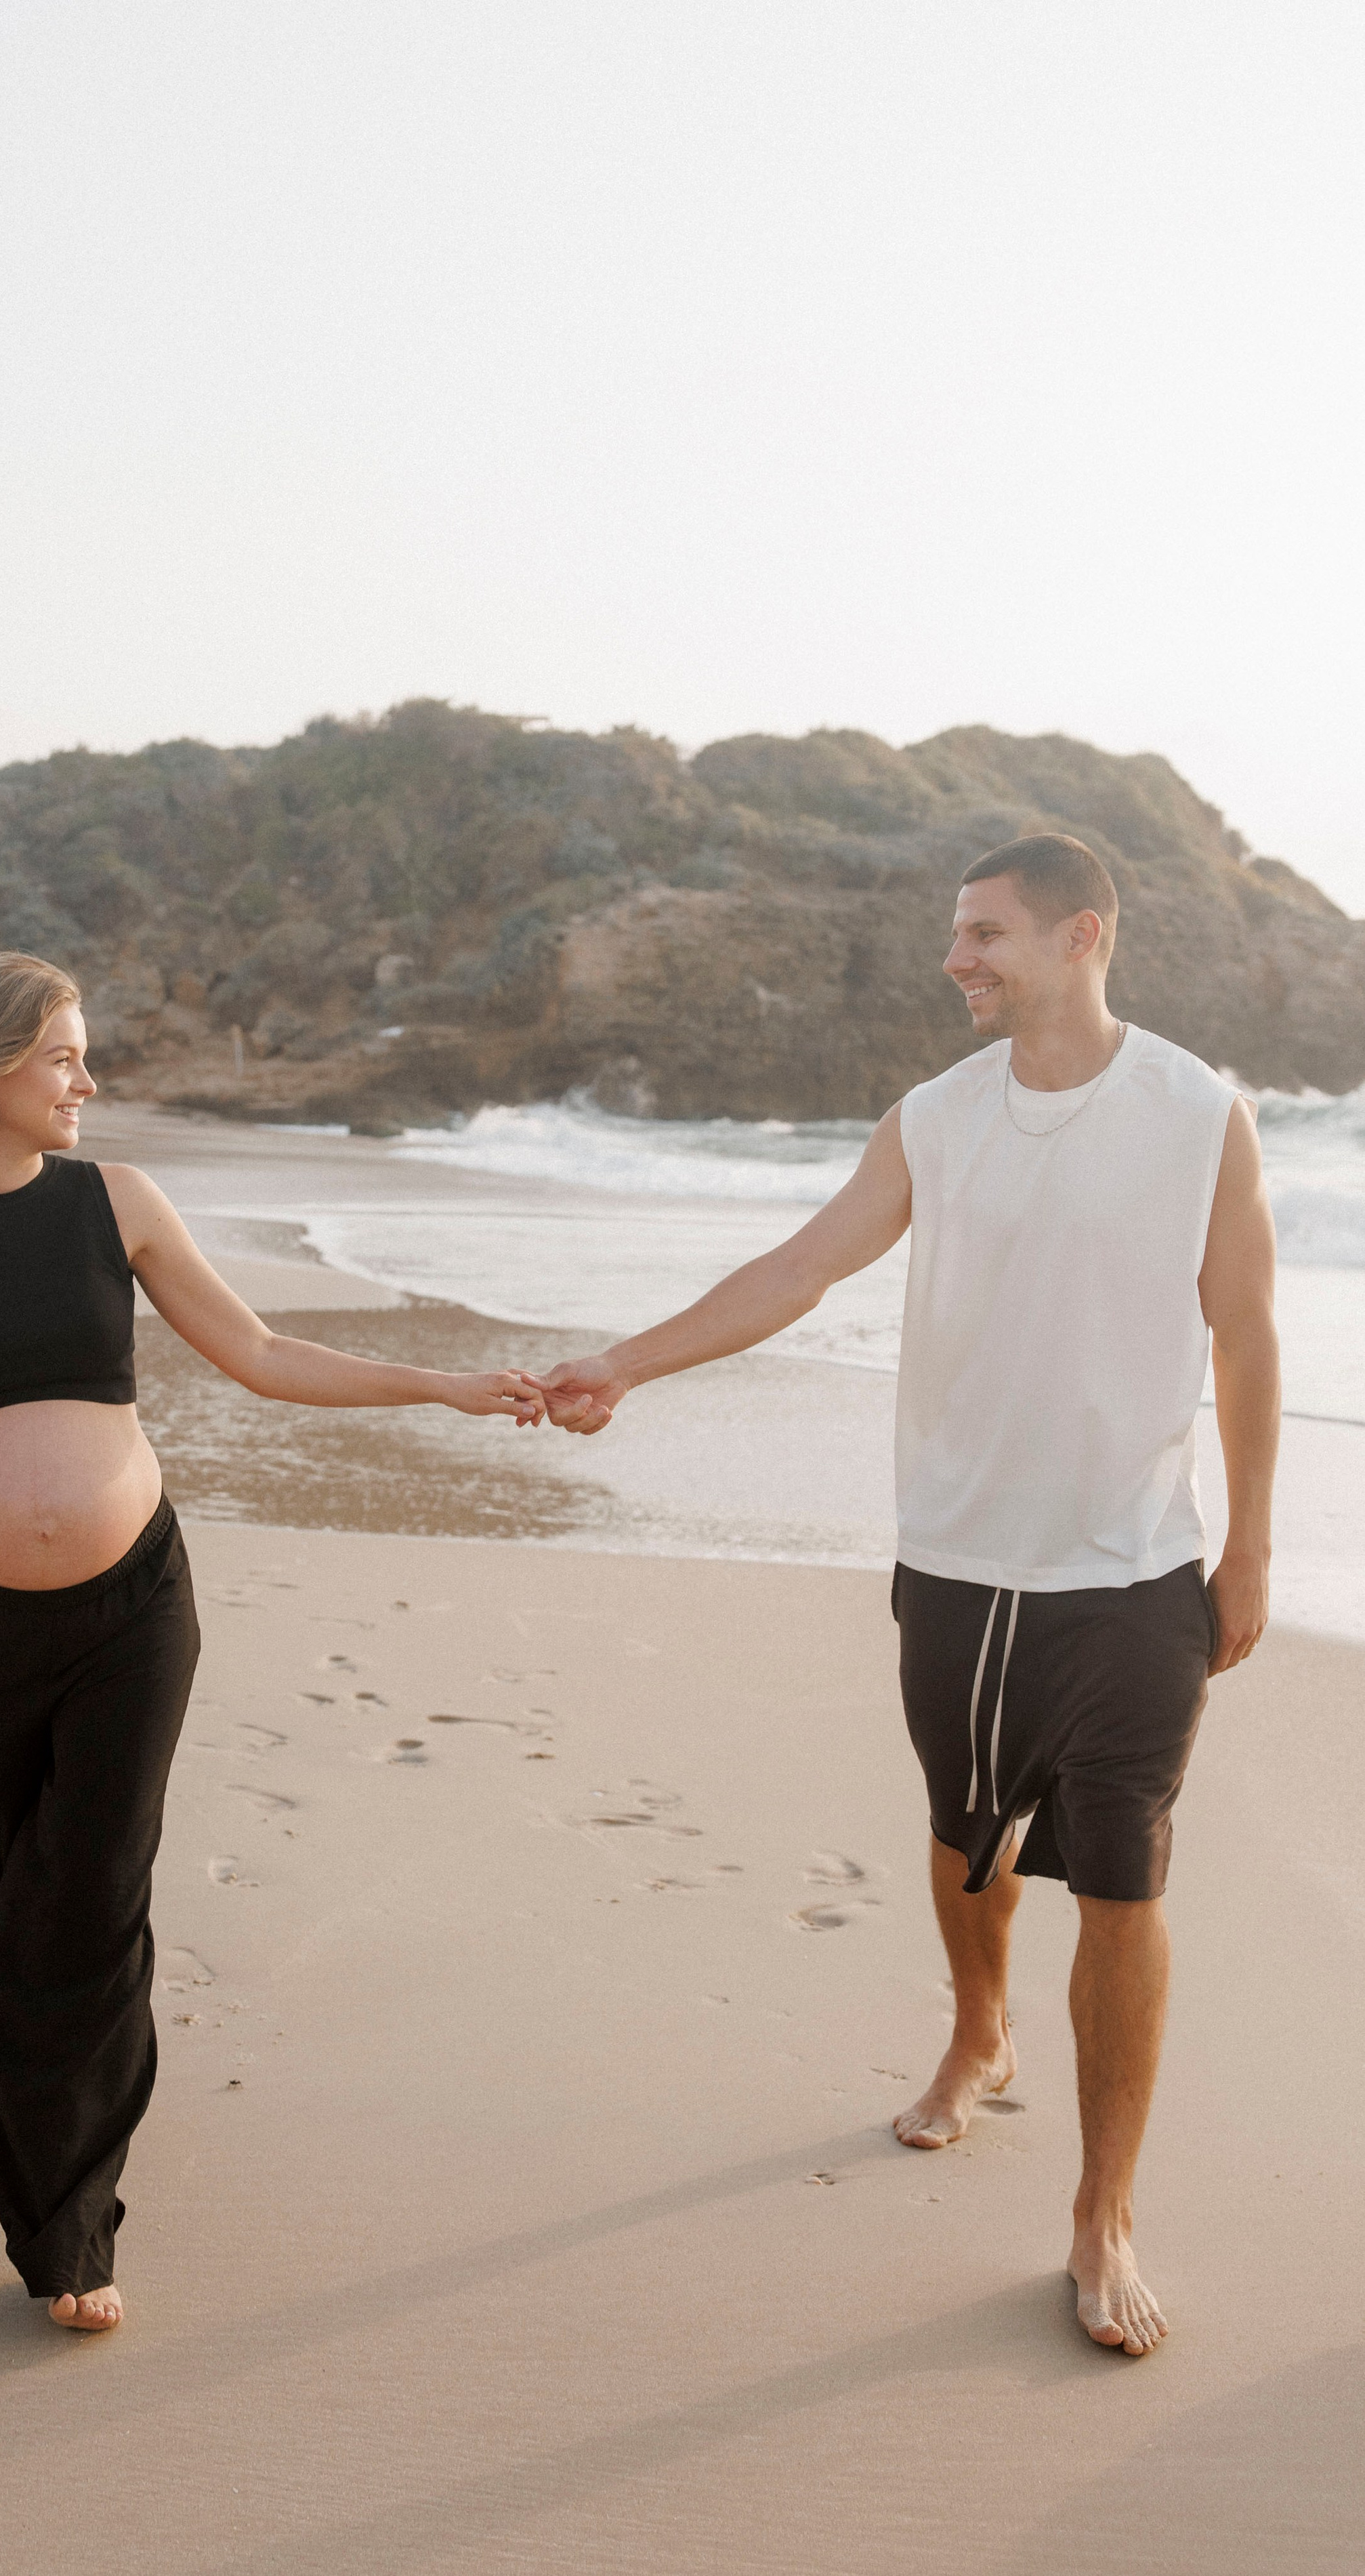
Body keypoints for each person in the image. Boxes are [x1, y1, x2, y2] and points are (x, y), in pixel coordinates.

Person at [536, 834, 1278, 2357]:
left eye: (983, 934)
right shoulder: (934, 1120)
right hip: (953, 1557)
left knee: (1125, 1881)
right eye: (954, 934)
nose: (956, 958)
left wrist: (1250, 1542)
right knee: (966, 1829)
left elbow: (1247, 1334)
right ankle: (977, 2031)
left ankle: (1101, 2211)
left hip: (1130, 1568)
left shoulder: (1197, 1111)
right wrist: (621, 1360)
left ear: (1080, 937)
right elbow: (798, 1269)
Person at [0, 953, 543, 2333]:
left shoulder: (116, 1205)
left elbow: (260, 1352)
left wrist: (435, 1384)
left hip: (132, 1612)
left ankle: (68, 2229)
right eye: (66, 1057)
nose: (90, 1080)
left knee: (83, 1899)